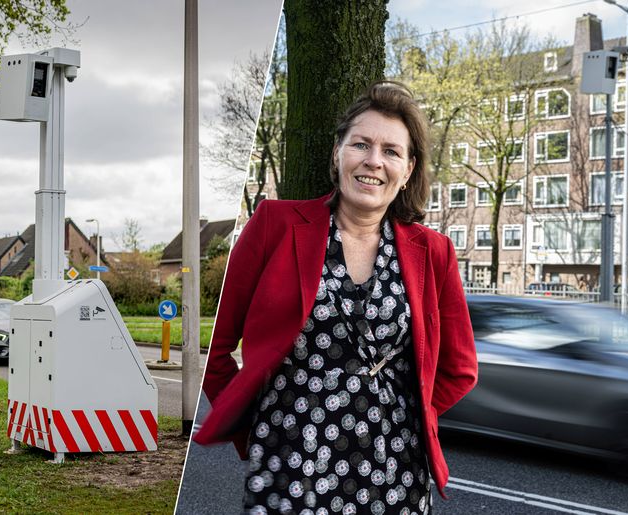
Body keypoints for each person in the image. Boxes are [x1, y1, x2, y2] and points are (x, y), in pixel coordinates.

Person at [193, 81, 477, 514]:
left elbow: (459, 369)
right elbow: (218, 348)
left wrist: (409, 412)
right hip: (288, 463)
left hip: (395, 470)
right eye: (360, 144)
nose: (373, 161)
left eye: (391, 151)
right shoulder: (274, 225)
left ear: (408, 170)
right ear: (337, 152)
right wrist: (257, 429)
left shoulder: (433, 253)